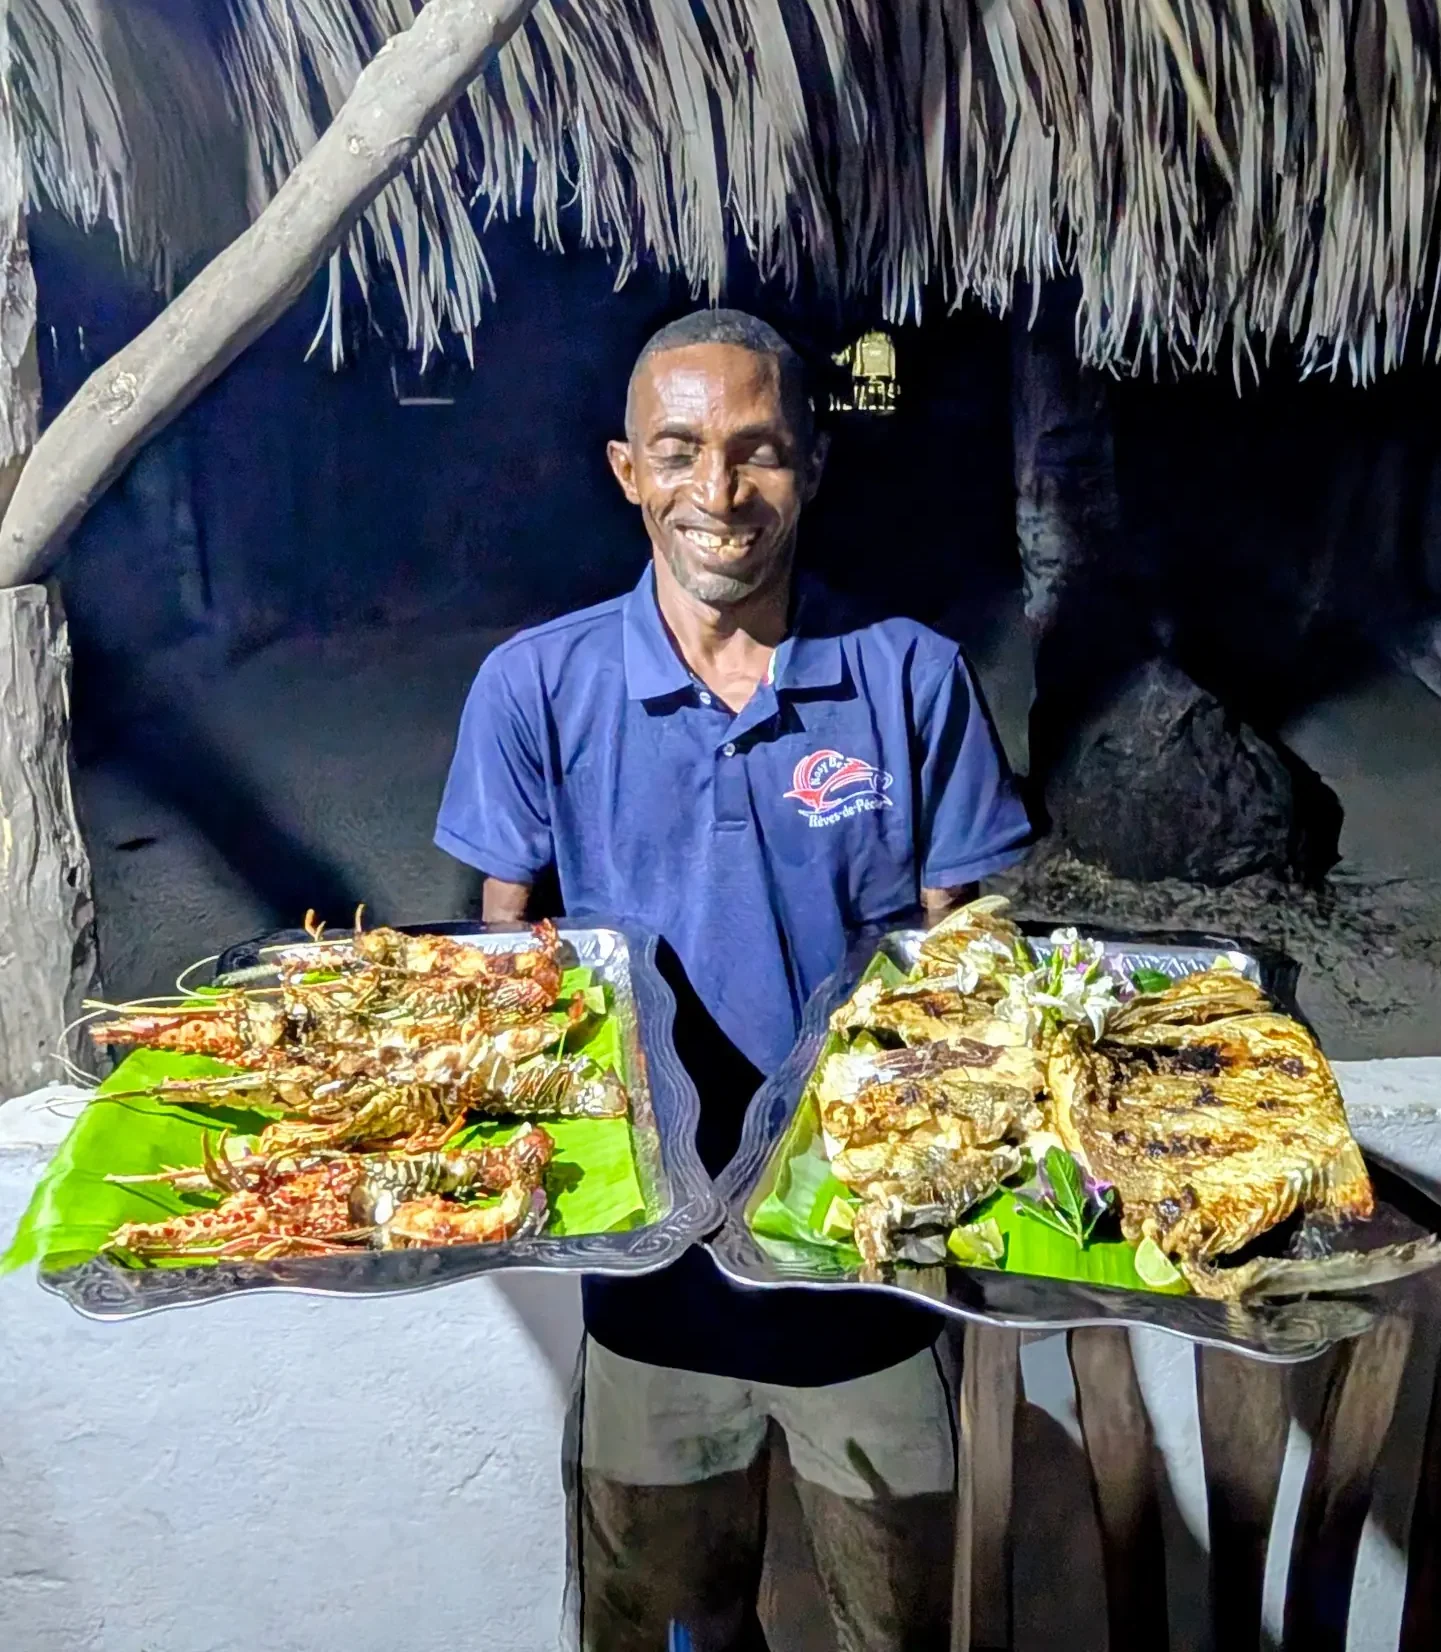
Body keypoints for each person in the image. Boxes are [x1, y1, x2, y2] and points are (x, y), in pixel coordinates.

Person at [434, 309, 1031, 1651]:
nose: (719, 491)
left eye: (758, 450)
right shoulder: (535, 687)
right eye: (679, 451)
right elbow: (507, 971)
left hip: (865, 1275)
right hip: (650, 1284)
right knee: (666, 1625)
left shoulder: (910, 675)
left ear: (811, 466)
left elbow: (968, 968)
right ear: (626, 470)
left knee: (902, 1625)